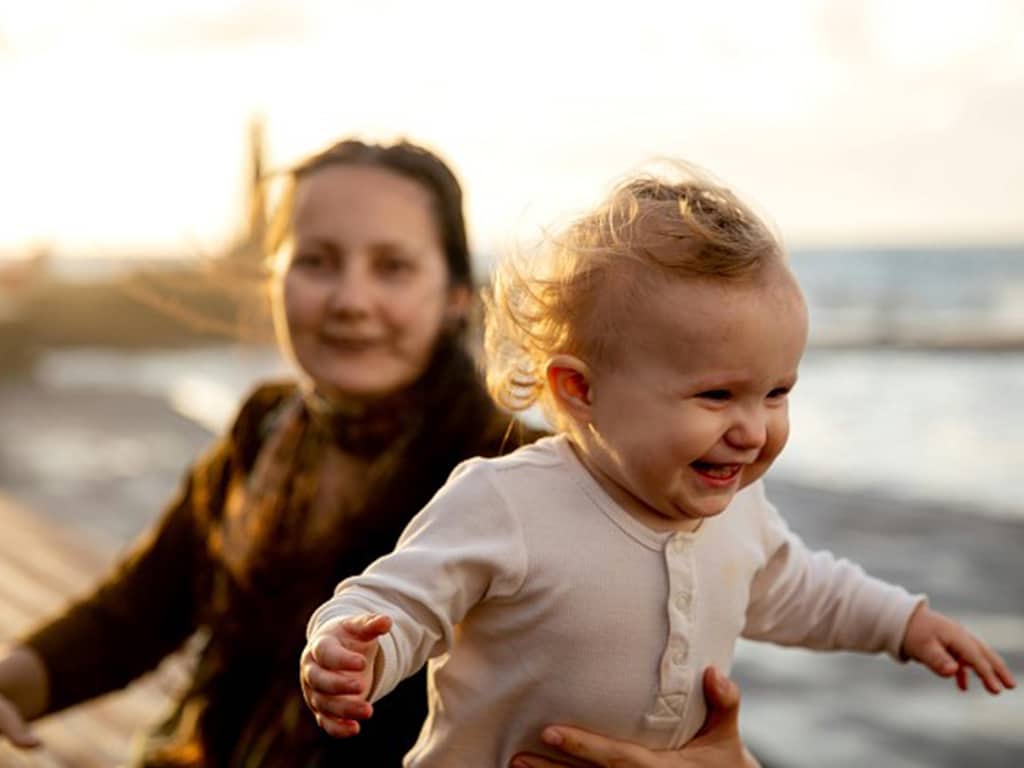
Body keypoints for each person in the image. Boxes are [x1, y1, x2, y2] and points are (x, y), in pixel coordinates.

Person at [0, 139, 758, 767]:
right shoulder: (263, 432)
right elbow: (140, 610)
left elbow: (657, 669)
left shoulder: (532, 477)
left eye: (392, 267)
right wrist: (15, 683)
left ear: (458, 294)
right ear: (276, 281)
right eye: (317, 261)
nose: (350, 300)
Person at [302, 165, 1016, 765]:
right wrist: (355, 649)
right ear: (579, 390)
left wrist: (905, 626)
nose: (752, 428)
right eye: (716, 395)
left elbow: (804, 590)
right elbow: (403, 600)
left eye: (777, 393)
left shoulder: (739, 514)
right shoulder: (507, 501)